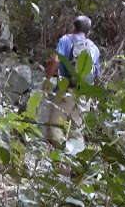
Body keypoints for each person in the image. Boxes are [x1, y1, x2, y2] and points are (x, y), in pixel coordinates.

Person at [43, 15, 100, 146]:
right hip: (84, 96)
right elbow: (96, 75)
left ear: (73, 27)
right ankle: (72, 163)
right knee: (76, 133)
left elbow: (55, 60)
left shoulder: (66, 40)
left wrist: (47, 80)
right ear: (88, 32)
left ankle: (59, 162)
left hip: (66, 91)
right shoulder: (94, 49)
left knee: (55, 129)